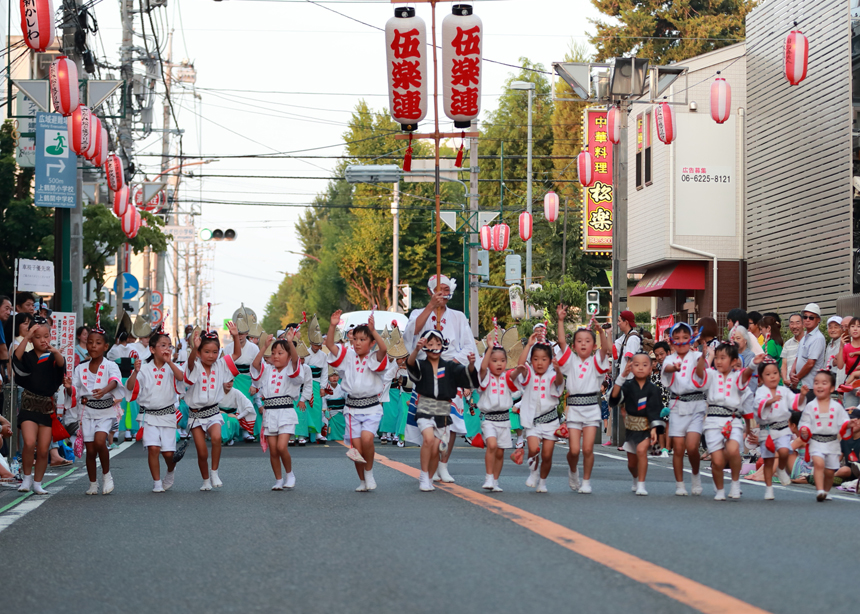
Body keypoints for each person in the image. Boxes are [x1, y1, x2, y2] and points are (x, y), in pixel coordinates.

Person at [404, 274, 478, 481]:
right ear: (430, 292)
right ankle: (428, 466)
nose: (444, 294)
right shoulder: (419, 313)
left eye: (447, 289)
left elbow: (468, 346)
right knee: (429, 422)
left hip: (450, 372)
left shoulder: (458, 316)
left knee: (451, 421)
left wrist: (451, 365)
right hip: (427, 374)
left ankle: (443, 465)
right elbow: (411, 336)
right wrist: (430, 307)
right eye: (439, 290)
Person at [407, 329, 478, 492]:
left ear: (443, 346)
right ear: (425, 346)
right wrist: (416, 350)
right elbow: (411, 365)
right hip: (425, 407)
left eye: (438, 343)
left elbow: (467, 376)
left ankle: (430, 476)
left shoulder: (450, 367)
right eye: (430, 344)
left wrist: (472, 364)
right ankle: (424, 475)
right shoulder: (421, 364)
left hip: (443, 410)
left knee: (437, 446)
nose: (434, 347)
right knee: (428, 440)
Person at [325, 310, 388, 492]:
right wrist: (333, 324)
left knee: (368, 439)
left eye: (363, 339)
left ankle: (369, 473)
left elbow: (384, 349)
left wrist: (373, 330)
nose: (358, 343)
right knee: (357, 449)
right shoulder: (347, 355)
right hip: (352, 409)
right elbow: (329, 344)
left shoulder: (374, 357)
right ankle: (362, 480)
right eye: (356, 339)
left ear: (371, 342)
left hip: (371, 407)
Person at [555, 306, 610, 494]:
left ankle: (586, 481)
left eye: (587, 341)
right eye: (579, 341)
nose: (583, 344)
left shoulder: (596, 360)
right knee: (573, 450)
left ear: (594, 345)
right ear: (575, 345)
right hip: (574, 409)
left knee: (587, 449)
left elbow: (606, 350)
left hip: (591, 408)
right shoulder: (570, 360)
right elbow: (562, 342)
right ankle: (573, 471)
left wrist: (601, 332)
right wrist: (560, 320)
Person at [695, 341, 759, 500]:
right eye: (717, 357)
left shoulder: (737, 377)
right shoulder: (711, 374)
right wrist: (704, 356)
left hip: (732, 420)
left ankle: (736, 483)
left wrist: (753, 364)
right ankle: (720, 490)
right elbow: (699, 373)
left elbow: (747, 374)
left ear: (733, 361)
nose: (718, 361)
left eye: (723, 357)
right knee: (716, 461)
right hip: (712, 421)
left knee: (732, 451)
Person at [184, 319, 242, 491]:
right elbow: (188, 364)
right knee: (202, 452)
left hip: (213, 412)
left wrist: (236, 337)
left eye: (215, 352)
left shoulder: (221, 364)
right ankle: (205, 480)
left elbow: (237, 355)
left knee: (217, 438)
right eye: (206, 351)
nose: (211, 355)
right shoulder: (193, 365)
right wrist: (194, 347)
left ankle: (214, 471)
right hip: (195, 415)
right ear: (200, 352)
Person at [125, 328, 185, 493]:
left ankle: (170, 471)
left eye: (169, 346)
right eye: (163, 345)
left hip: (167, 415)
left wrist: (170, 362)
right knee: (153, 448)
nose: (167, 349)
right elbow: (130, 388)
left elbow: (181, 379)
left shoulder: (172, 368)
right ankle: (157, 483)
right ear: (152, 349)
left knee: (168, 453)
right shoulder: (143, 368)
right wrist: (135, 373)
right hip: (149, 415)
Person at [12, 316, 65, 494]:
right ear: (32, 339)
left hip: (47, 407)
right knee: (28, 442)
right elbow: (15, 360)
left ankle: (37, 483)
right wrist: (26, 337)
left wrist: (55, 352)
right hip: (28, 405)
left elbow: (61, 365)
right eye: (38, 337)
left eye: (46, 336)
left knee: (43, 449)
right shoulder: (27, 356)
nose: (43, 340)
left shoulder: (53, 356)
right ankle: (26, 479)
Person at [70, 315, 123, 495]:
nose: (93, 346)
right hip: (87, 412)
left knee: (101, 441)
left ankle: (107, 475)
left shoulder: (110, 365)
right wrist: (68, 387)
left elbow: (115, 381)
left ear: (105, 346)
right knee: (90, 450)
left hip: (106, 410)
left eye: (98, 343)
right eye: (90, 342)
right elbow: (74, 392)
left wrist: (104, 390)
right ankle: (93, 483)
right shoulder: (80, 368)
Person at [514, 332, 564, 494]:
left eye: (544, 359)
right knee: (534, 449)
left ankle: (542, 482)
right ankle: (533, 473)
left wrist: (558, 371)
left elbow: (559, 383)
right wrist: (528, 345)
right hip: (533, 421)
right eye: (535, 359)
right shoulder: (529, 374)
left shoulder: (552, 375)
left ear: (550, 360)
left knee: (548, 455)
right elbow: (520, 365)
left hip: (550, 421)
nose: (539, 363)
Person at [251, 331, 301, 490]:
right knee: (273, 450)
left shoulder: (291, 371)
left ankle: (290, 474)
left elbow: (296, 362)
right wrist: (264, 346)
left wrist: (291, 343)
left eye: (280, 353)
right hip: (270, 413)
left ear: (288, 356)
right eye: (273, 353)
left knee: (281, 447)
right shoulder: (267, 370)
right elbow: (255, 365)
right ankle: (278, 480)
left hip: (286, 412)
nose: (276, 356)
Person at [662, 322, 707, 496]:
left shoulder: (696, 357)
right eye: (677, 338)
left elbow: (702, 375)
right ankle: (680, 484)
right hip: (677, 406)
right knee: (679, 447)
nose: (681, 341)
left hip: (696, 406)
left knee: (692, 446)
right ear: (672, 341)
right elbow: (666, 369)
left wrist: (703, 358)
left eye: (685, 338)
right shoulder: (670, 358)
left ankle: (696, 476)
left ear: (691, 339)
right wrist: (674, 368)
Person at [608, 352, 663, 495]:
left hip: (646, 427)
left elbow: (655, 410)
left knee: (641, 451)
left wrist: (654, 428)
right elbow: (614, 397)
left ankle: (641, 484)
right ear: (631, 367)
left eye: (645, 365)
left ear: (651, 368)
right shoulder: (627, 386)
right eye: (636, 365)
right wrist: (622, 376)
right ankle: (635, 477)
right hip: (631, 428)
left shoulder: (653, 389)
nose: (640, 368)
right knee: (632, 463)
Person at [798, 369, 852, 501]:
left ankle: (826, 491)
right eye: (816, 383)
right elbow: (804, 422)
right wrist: (804, 429)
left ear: (832, 387)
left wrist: (848, 425)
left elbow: (844, 420)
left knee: (829, 471)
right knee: (818, 463)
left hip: (832, 442)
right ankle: (820, 490)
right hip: (816, 440)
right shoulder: (810, 406)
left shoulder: (837, 407)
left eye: (824, 383)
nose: (819, 386)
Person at [754, 358, 802, 499]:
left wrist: (803, 395)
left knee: (784, 451)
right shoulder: (761, 392)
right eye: (768, 374)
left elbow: (795, 402)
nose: (772, 376)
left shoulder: (784, 391)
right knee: (768, 460)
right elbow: (759, 406)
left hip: (782, 429)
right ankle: (769, 488)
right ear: (761, 378)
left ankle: (781, 469)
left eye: (775, 373)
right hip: (767, 430)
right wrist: (769, 402)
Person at [476, 342, 515, 492]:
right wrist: (490, 349)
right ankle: (488, 477)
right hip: (489, 419)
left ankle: (496, 481)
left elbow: (517, 376)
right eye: (494, 360)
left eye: (502, 360)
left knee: (500, 452)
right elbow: (482, 369)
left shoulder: (507, 377)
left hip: (504, 419)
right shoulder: (485, 377)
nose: (499, 364)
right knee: (492, 445)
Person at [790, 303, 826, 400]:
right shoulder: (805, 336)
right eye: (805, 317)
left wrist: (796, 377)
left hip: (811, 386)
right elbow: (797, 358)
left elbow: (810, 363)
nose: (807, 320)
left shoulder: (818, 338)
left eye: (811, 317)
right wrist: (792, 373)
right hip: (801, 385)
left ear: (818, 320)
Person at [651, 341, 671, 456]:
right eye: (657, 355)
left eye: (661, 354)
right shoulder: (657, 368)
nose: (659, 357)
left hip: (670, 396)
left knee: (668, 422)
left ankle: (667, 447)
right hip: (659, 396)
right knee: (661, 422)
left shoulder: (673, 365)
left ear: (668, 353)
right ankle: (662, 447)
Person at [837, 317, 860, 407]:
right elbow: (840, 366)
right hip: (850, 387)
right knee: (851, 415)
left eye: (858, 326)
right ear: (849, 330)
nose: (855, 328)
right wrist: (841, 346)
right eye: (852, 326)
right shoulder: (846, 347)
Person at [781, 314, 804, 386]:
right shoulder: (787, 344)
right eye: (792, 323)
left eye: (797, 323)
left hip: (805, 384)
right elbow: (784, 364)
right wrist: (785, 379)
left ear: (803, 325)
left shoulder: (809, 340)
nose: (794, 326)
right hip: (790, 385)